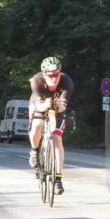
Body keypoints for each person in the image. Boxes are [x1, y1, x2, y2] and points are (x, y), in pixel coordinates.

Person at [28, 56, 74, 195]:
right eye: (50, 76)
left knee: (57, 137)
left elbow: (63, 106)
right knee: (37, 124)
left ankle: (58, 179)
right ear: (44, 74)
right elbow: (38, 106)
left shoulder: (67, 82)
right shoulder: (37, 81)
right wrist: (44, 106)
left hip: (56, 104)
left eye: (57, 75)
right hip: (40, 103)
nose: (54, 78)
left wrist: (60, 107)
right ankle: (34, 151)